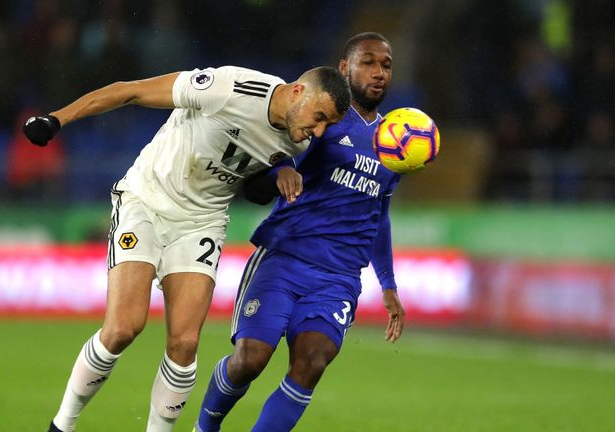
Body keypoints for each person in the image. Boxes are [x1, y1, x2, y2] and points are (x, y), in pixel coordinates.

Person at [22, 65, 350, 432]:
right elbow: (132, 90)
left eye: (328, 125)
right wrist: (55, 120)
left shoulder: (299, 139)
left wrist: (279, 174)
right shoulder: (229, 88)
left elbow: (253, 188)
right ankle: (62, 425)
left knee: (185, 343)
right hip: (146, 201)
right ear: (296, 92)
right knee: (123, 328)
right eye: (319, 117)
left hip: (201, 222)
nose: (318, 131)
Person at [194, 32, 406, 432]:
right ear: (344, 69)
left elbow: (380, 213)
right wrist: (281, 170)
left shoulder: (396, 144)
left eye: (386, 65)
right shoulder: (318, 119)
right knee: (250, 359)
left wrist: (388, 285)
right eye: (369, 63)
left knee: (312, 361)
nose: (378, 73)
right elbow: (266, 157)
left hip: (338, 277)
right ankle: (204, 428)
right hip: (285, 258)